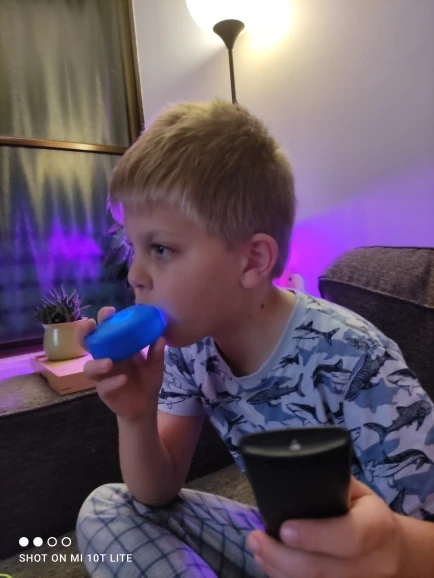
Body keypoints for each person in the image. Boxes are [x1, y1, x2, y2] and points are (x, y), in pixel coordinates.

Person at [76, 100, 434, 578]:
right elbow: (155, 494)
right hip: (281, 549)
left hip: (371, 563)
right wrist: (136, 416)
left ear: (252, 261)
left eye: (160, 248)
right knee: (106, 508)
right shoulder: (190, 348)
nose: (135, 274)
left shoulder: (356, 357)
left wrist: (397, 549)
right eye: (132, 247)